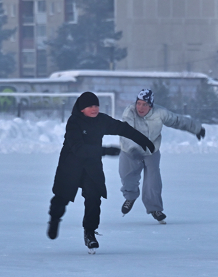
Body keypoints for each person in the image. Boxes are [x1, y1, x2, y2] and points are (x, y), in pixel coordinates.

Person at [48, 92, 155, 253]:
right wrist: (104, 151)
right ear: (82, 108)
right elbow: (78, 149)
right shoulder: (74, 122)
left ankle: (90, 233)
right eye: (90, 106)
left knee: (93, 198)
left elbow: (122, 128)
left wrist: (144, 140)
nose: (94, 108)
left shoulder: (101, 120)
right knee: (61, 198)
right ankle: (55, 219)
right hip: (70, 166)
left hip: (91, 167)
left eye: (96, 105)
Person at [118, 89, 206, 224]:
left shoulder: (160, 113)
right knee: (127, 176)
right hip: (130, 150)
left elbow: (177, 121)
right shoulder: (129, 112)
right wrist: (133, 148)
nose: (140, 107)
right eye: (139, 103)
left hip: (151, 150)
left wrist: (196, 128)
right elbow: (127, 131)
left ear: (151, 106)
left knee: (153, 180)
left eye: (145, 105)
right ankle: (130, 197)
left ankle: (155, 208)